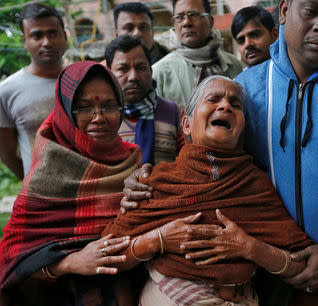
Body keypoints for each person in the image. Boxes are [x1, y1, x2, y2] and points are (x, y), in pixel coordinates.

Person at [123, 0, 318, 304]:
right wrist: (150, 181)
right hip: (257, 281)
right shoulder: (247, 88)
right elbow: (207, 161)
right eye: (311, 10)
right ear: (284, 10)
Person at [103, 75, 318, 305]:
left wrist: (250, 247)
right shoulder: (159, 181)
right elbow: (109, 255)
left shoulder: (254, 185)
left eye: (235, 105)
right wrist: (158, 239)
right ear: (186, 124)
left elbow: (305, 267)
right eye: (213, 99)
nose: (225, 106)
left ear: (242, 129)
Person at [0, 61, 142, 305]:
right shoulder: (47, 175)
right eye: (84, 108)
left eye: (109, 106)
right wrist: (72, 262)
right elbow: (12, 258)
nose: (98, 118)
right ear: (65, 112)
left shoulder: (131, 161)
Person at [0, 3, 67, 179]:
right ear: (24, 41)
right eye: (37, 35)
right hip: (41, 199)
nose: (47, 42)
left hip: (91, 188)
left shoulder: (83, 81)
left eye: (53, 33)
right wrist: (32, 184)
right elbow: (7, 154)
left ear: (64, 35)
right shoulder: (6, 91)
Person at [105, 34, 183, 165]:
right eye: (123, 69)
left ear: (151, 71)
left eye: (141, 67)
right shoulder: (100, 118)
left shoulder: (175, 113)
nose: (133, 77)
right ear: (109, 74)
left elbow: (188, 162)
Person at [152, 0, 243, 108]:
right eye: (179, 17)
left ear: (210, 21)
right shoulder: (159, 73)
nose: (186, 23)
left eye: (194, 15)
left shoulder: (236, 66)